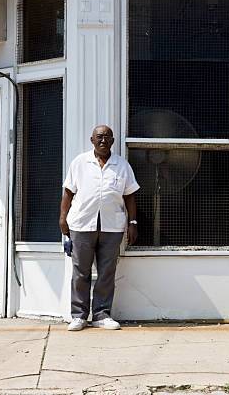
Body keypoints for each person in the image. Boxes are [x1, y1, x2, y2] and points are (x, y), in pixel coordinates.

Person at [60, 125, 139, 331]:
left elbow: (130, 196)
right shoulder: (80, 162)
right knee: (80, 271)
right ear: (92, 140)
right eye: (99, 137)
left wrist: (133, 222)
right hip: (81, 223)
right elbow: (68, 192)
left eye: (107, 137)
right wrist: (63, 218)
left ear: (113, 141)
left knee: (106, 272)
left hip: (112, 226)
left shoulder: (122, 165)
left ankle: (102, 314)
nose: (103, 141)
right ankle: (79, 316)